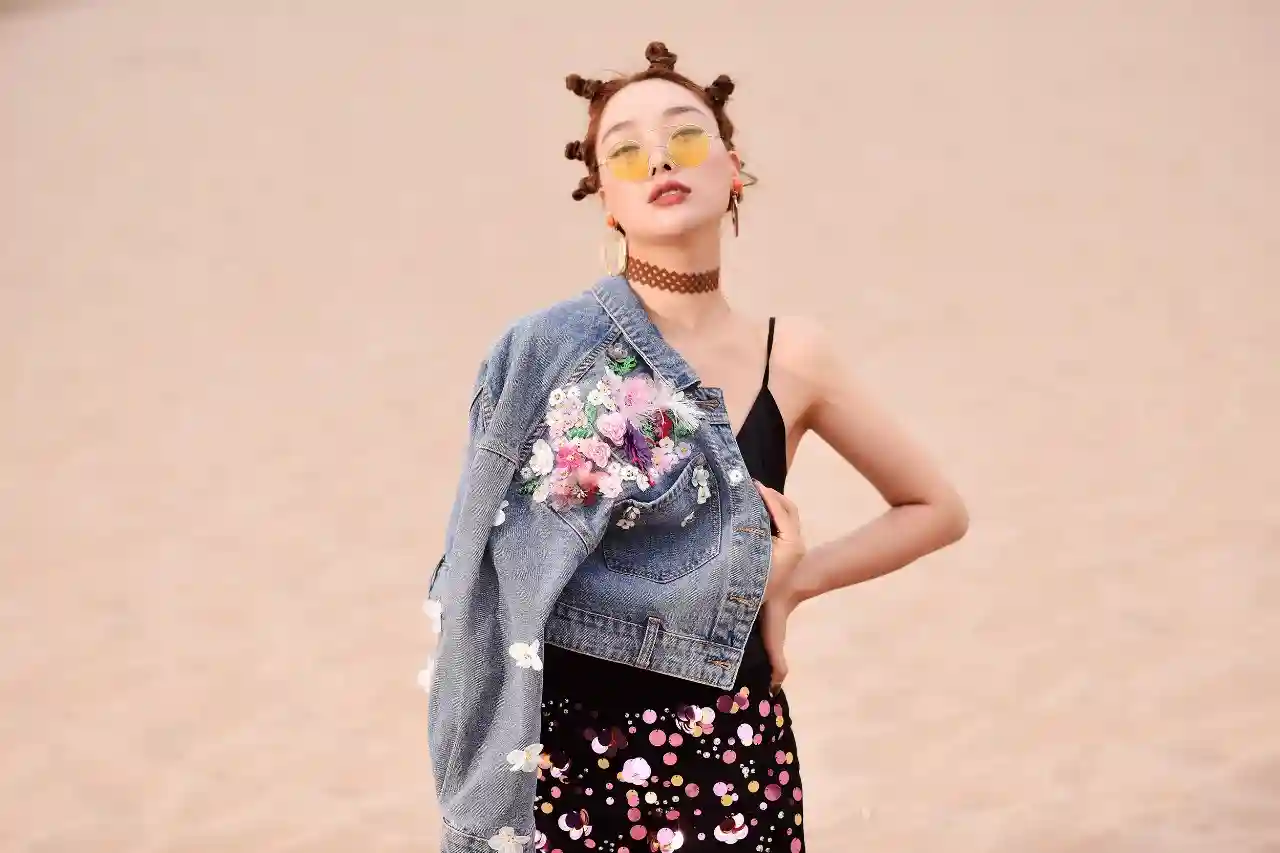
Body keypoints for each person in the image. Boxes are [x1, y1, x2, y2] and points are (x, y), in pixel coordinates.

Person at [422, 42, 968, 853]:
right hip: (570, 762)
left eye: (684, 136)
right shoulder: (548, 352)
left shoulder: (794, 356)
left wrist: (789, 585)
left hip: (734, 754)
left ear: (733, 168)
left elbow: (936, 508)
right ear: (606, 200)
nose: (659, 161)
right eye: (625, 151)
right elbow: (485, 581)